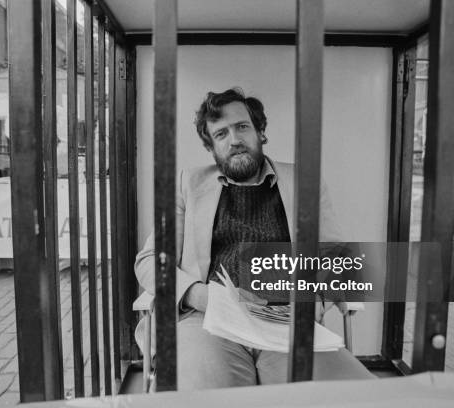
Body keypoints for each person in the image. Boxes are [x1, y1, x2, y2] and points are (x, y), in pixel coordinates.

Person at [134, 88, 372, 390]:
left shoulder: (303, 182)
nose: (234, 140)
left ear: (260, 132)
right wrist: (196, 294)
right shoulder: (187, 185)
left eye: (242, 127)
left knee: (351, 396)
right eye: (221, 134)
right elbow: (149, 260)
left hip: (284, 319)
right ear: (211, 147)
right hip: (207, 319)